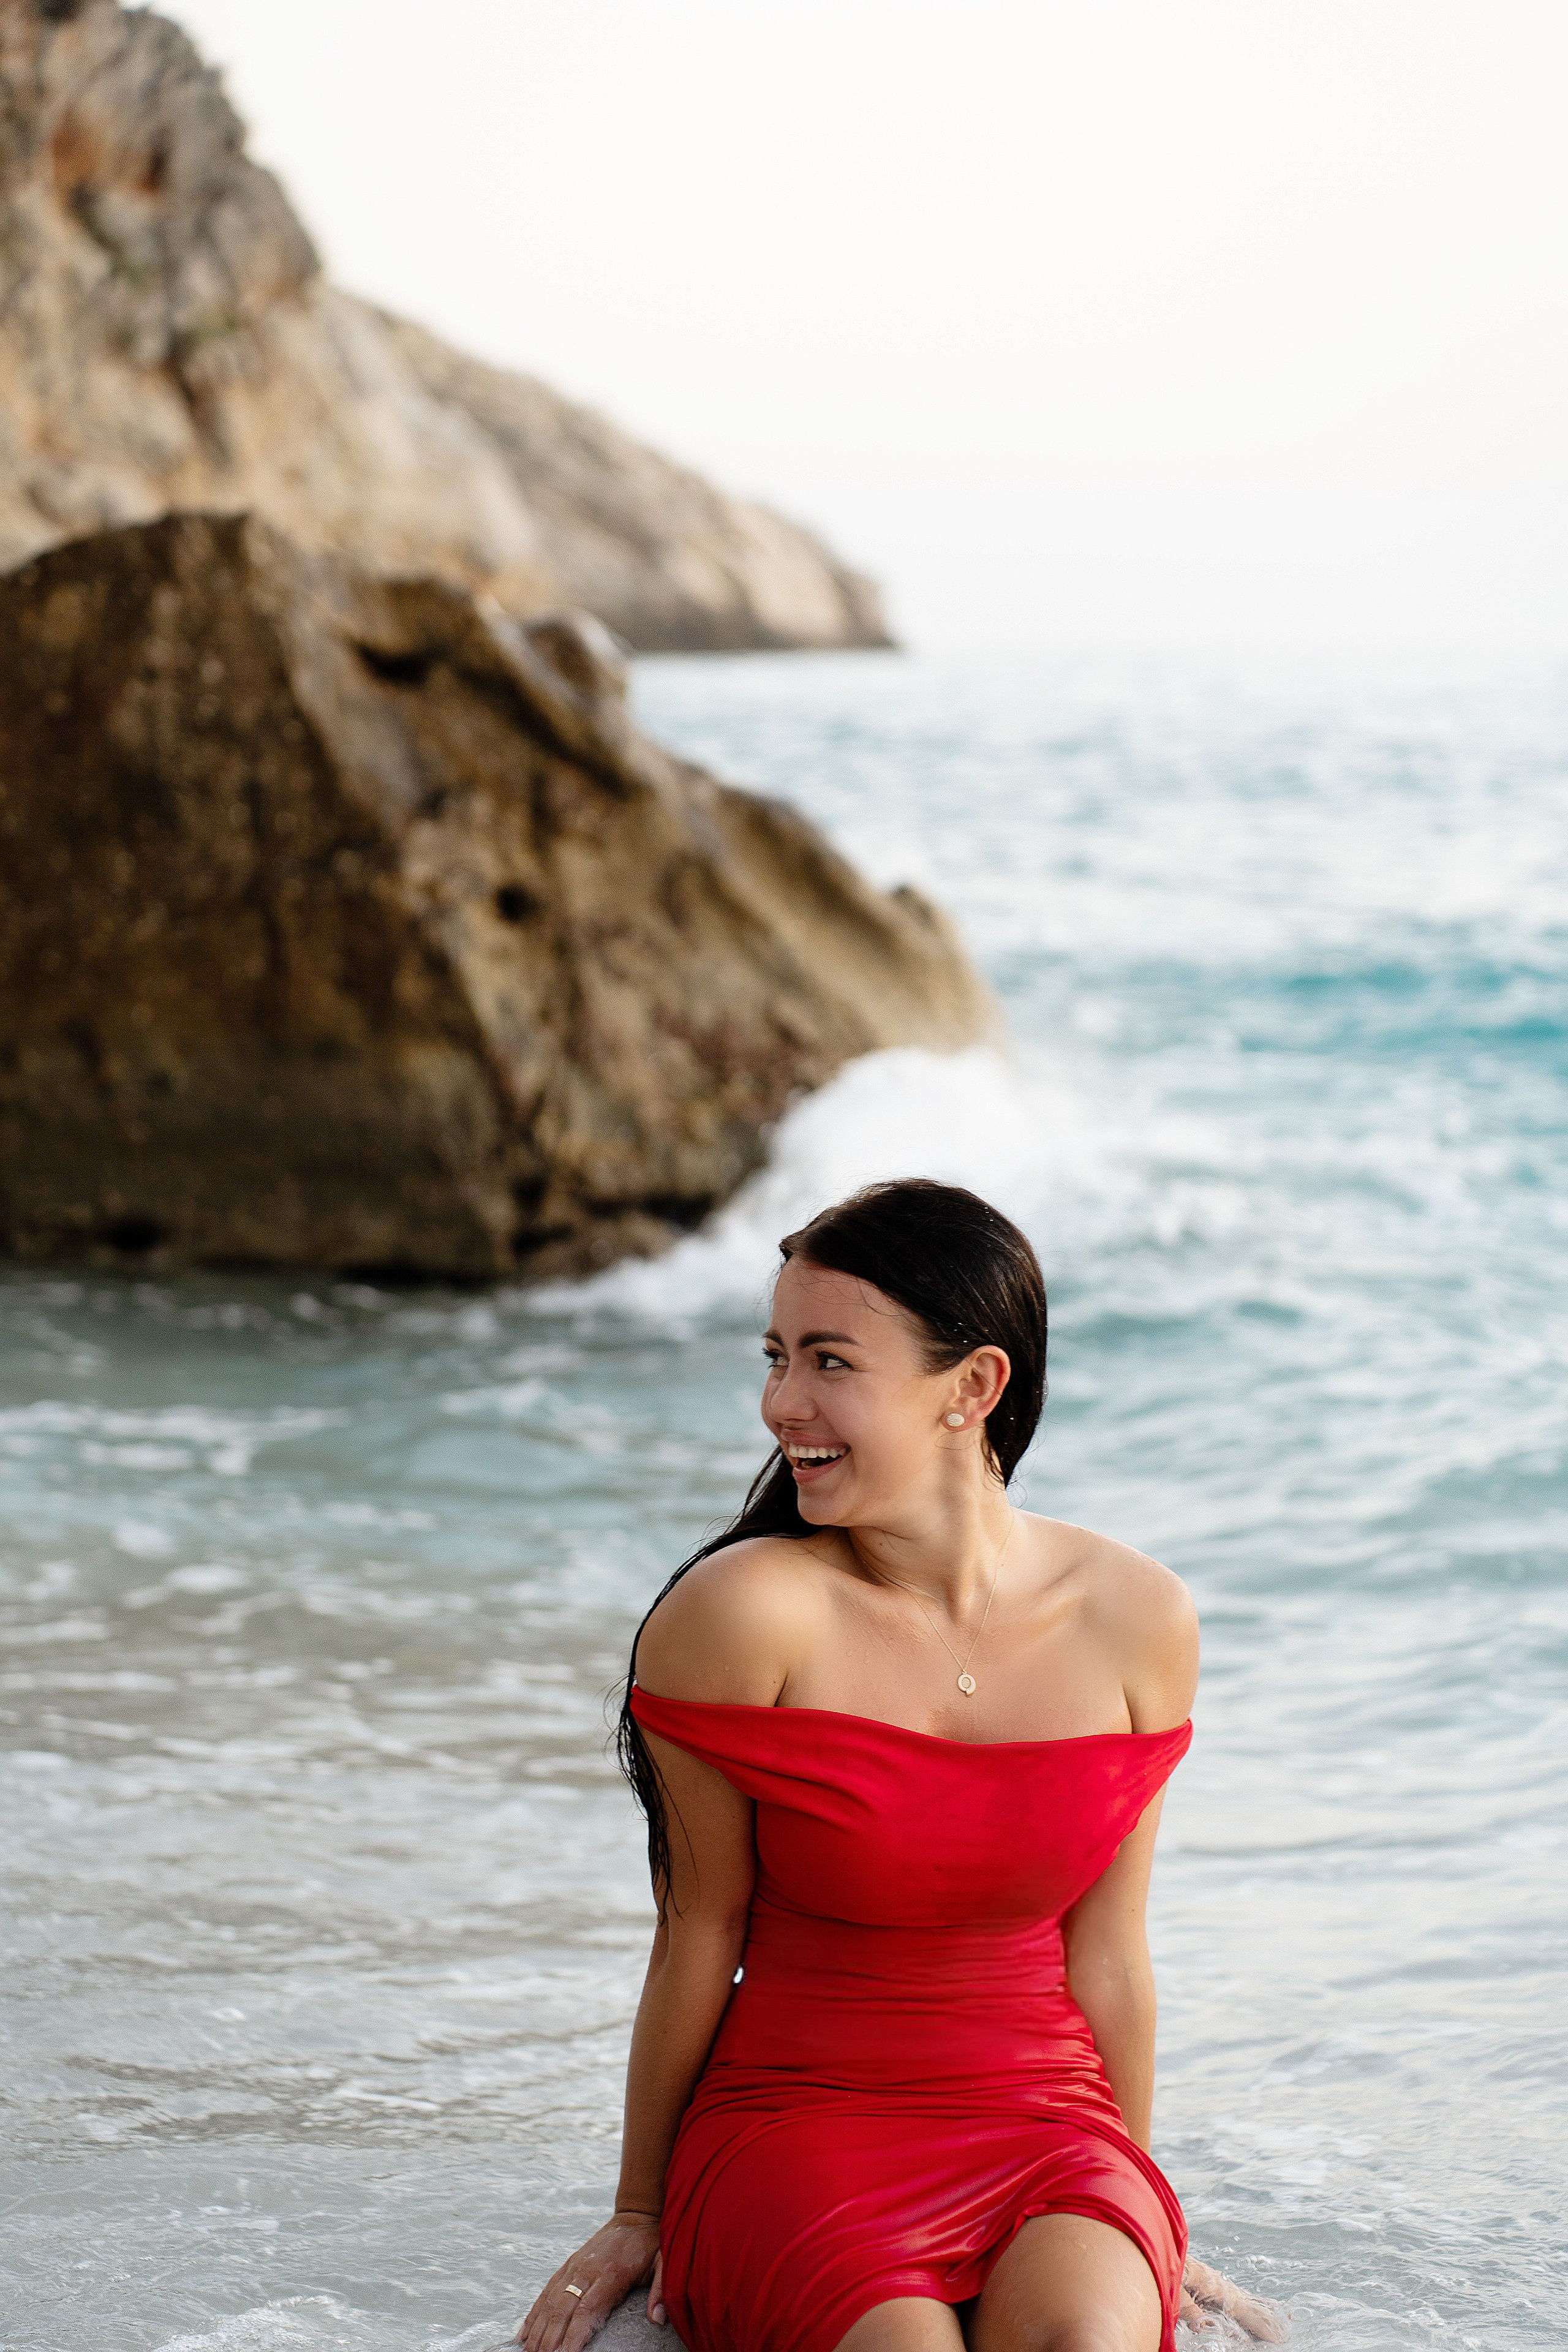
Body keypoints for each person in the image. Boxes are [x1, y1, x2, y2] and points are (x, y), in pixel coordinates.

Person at [519, 1180, 1282, 2352]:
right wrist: (637, 2210)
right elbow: (696, 1933)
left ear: (971, 1388)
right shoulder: (741, 1618)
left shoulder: (1138, 1618)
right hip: (798, 2123)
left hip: (1045, 2122)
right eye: (775, 1356)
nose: (781, 1403)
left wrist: (1141, 2211)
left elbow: (1111, 1952)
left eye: (829, 1361)